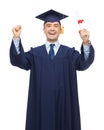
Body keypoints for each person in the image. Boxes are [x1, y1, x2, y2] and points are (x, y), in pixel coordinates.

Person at [10, 9, 95, 130]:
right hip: (41, 106)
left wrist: (86, 42)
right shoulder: (35, 54)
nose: (52, 29)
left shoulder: (69, 54)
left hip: (64, 106)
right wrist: (16, 38)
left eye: (56, 25)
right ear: (43, 29)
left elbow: (83, 63)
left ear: (61, 29)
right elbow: (19, 61)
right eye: (48, 25)